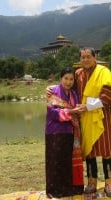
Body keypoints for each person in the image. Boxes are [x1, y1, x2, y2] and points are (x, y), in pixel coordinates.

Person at [75, 47, 111, 198]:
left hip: (103, 118)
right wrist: (51, 90)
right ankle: (91, 183)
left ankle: (109, 184)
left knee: (107, 153)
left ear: (95, 57)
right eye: (83, 57)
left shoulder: (103, 72)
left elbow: (108, 97)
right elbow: (67, 88)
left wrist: (87, 106)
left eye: (88, 56)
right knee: (89, 152)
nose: (86, 60)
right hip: (86, 119)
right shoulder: (78, 74)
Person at [44, 67, 84, 199]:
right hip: (55, 131)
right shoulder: (53, 91)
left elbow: (78, 110)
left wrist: (78, 112)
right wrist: (71, 112)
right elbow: (52, 113)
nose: (68, 82)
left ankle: (68, 189)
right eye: (66, 78)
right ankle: (53, 191)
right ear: (60, 79)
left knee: (67, 161)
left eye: (71, 79)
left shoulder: (74, 94)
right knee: (55, 161)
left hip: (70, 131)